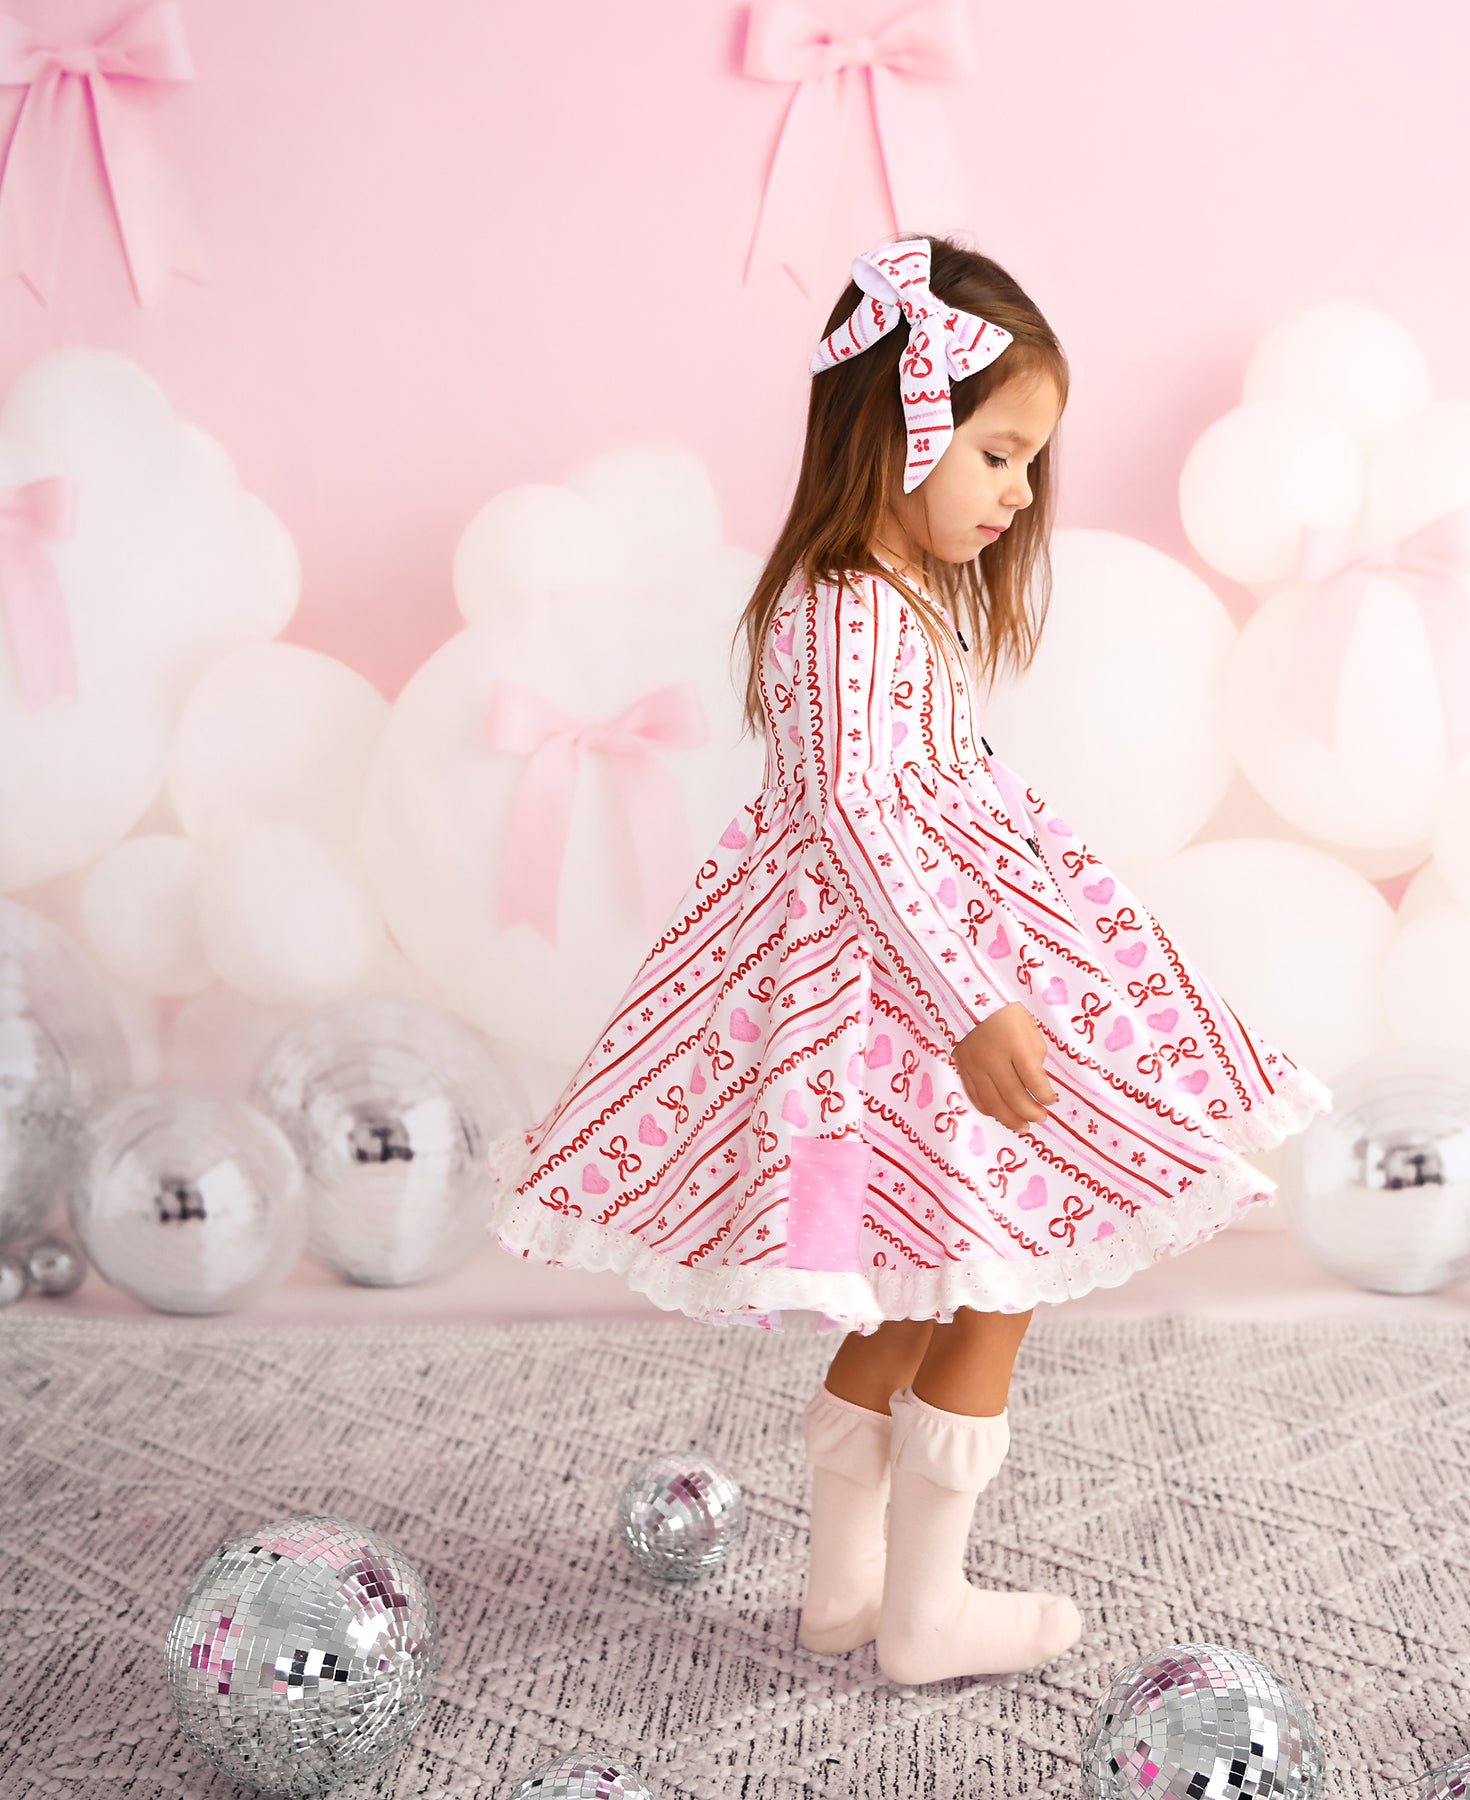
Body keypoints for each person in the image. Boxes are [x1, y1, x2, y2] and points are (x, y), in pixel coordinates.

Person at [488, 234, 1333, 1687]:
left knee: (922, 1285)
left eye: (1030, 465)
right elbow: (862, 823)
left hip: (910, 978)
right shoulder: (846, 609)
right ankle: (925, 1612)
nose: (1019, 495)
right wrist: (973, 1006)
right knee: (994, 1276)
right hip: (897, 998)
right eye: (998, 455)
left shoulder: (871, 598)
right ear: (901, 426)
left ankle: (847, 1588)